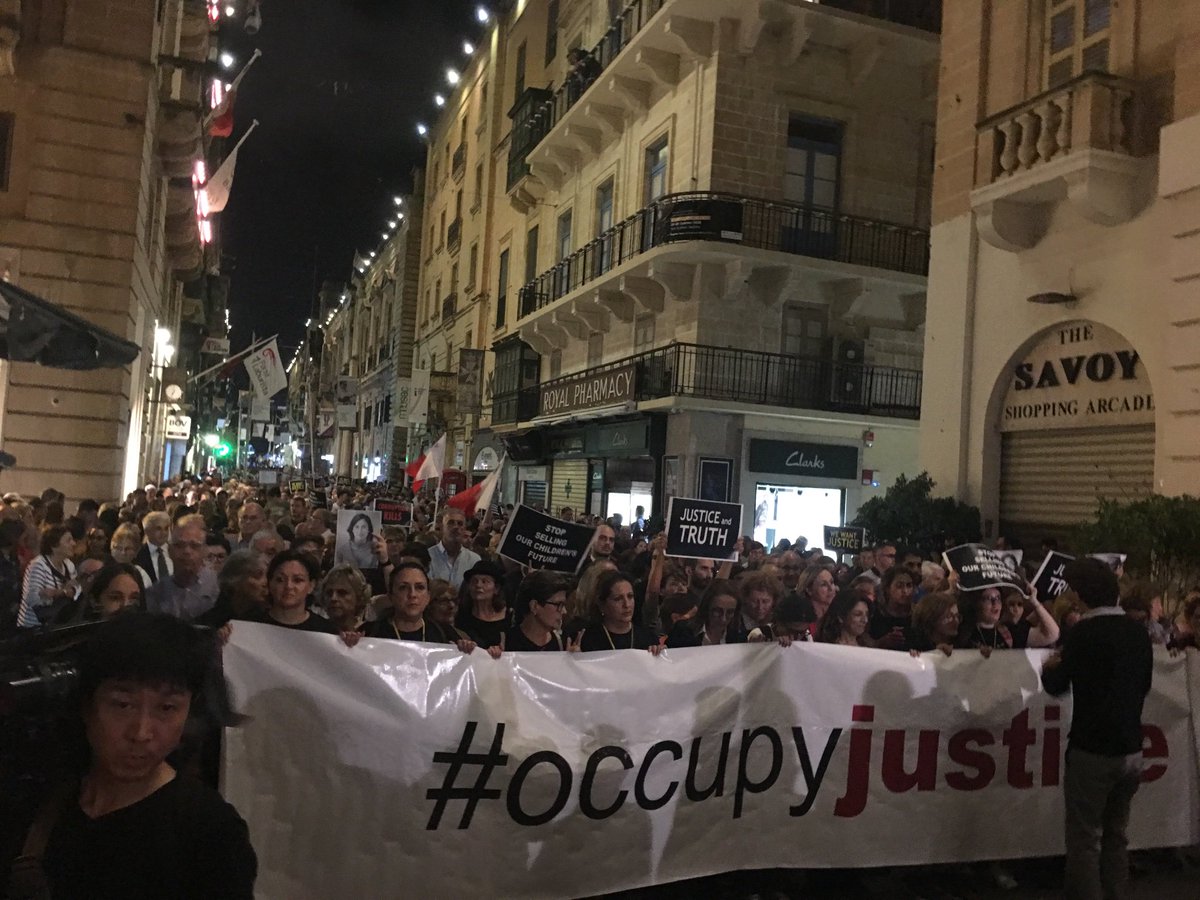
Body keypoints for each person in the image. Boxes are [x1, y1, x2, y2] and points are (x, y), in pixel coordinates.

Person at [34, 612, 257, 897]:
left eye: (167, 708)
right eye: (122, 704)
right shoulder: (46, 799)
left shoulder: (209, 831)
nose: (141, 732)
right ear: (87, 705)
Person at [1041, 558, 1153, 900]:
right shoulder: (1138, 631)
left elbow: (1057, 685)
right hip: (1131, 748)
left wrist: (1050, 667)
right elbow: (1144, 684)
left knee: (1085, 838)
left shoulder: (1083, 634)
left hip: (1092, 749)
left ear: (1078, 594)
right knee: (1117, 834)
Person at [361, 562, 473, 647]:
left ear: (428, 596)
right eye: (403, 587)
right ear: (391, 596)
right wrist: (349, 644)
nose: (412, 594)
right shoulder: (369, 633)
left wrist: (468, 651)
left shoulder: (444, 633)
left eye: (420, 587)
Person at [143, 516, 218, 623]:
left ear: (204, 551)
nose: (187, 551)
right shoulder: (155, 594)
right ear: (169, 551)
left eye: (194, 546)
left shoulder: (219, 588)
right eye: (179, 545)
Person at [575, 569, 661, 653]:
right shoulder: (588, 640)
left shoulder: (648, 638)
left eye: (630, 596)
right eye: (618, 599)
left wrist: (660, 655)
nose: (626, 605)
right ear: (602, 605)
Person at [253, 549, 337, 633]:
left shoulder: (326, 631)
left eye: (297, 580)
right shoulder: (250, 624)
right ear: (270, 583)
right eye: (280, 579)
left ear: (311, 586)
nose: (288, 586)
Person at [957, 585, 1058, 653]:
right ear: (976, 603)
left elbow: (1051, 635)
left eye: (998, 598)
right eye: (988, 599)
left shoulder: (1009, 631)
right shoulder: (962, 632)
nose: (995, 603)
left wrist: (1034, 602)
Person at [17, 524, 79, 627]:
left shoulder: (69, 565)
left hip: (56, 625)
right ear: (54, 545)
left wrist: (52, 593)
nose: (74, 543)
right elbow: (32, 599)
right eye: (68, 540)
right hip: (33, 628)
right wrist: (61, 592)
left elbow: (76, 590)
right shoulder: (38, 565)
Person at [194, 550, 269, 630]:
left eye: (268, 575)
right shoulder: (208, 617)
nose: (266, 582)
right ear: (235, 579)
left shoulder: (268, 618)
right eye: (258, 575)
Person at [506, 570, 572, 651]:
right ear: (534, 606)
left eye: (564, 605)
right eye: (558, 605)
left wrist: (574, 661)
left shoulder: (563, 644)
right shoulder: (505, 644)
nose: (564, 611)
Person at [667, 580, 742, 647]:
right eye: (717, 611)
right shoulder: (683, 631)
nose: (723, 619)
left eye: (730, 612)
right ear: (707, 607)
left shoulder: (737, 635)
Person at [455, 559, 510, 649]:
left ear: (496, 588)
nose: (478, 585)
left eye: (485, 581)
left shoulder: (509, 617)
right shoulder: (462, 616)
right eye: (474, 581)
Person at [427, 508, 480, 589]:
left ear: (464, 529)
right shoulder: (428, 557)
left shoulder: (474, 560)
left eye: (460, 524)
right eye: (450, 523)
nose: (456, 527)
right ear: (441, 527)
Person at [868, 566, 915, 647]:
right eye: (899, 586)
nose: (905, 591)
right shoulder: (873, 611)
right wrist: (881, 643)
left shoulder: (918, 613)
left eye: (909, 585)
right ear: (887, 588)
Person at [317, 564, 370, 634]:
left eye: (342, 593)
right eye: (329, 593)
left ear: (359, 597)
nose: (333, 598)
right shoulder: (314, 630)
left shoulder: (372, 632)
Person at [904, 591, 960, 655]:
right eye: (948, 617)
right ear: (932, 618)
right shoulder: (914, 642)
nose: (956, 621)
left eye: (957, 616)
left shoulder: (963, 644)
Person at [739, 570, 783, 636]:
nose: (760, 607)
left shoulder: (778, 623)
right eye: (754, 601)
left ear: (774, 601)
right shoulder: (735, 624)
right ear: (745, 599)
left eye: (765, 601)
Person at [134, 511, 172, 584]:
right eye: (158, 529)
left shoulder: (175, 552)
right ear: (147, 531)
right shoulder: (138, 555)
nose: (163, 533)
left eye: (166, 528)